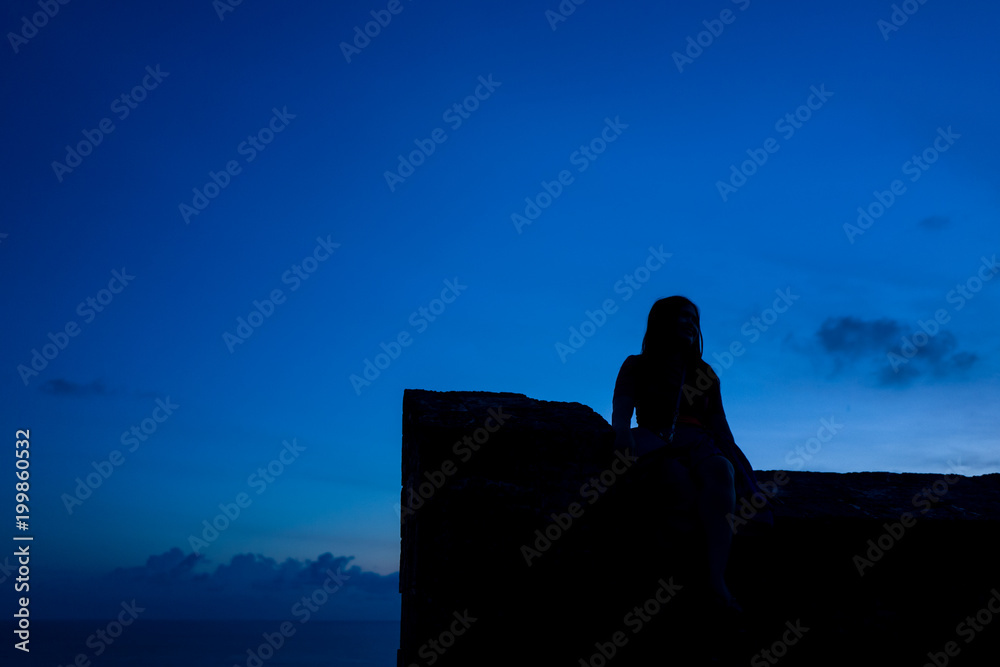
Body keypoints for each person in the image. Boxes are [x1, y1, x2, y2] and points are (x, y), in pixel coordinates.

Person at [612, 296, 773, 612]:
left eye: (694, 318)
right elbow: (622, 411)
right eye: (683, 316)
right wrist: (621, 436)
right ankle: (677, 584)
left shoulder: (705, 373)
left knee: (720, 473)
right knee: (679, 489)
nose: (690, 323)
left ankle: (716, 580)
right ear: (663, 321)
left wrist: (747, 475)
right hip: (657, 439)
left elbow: (721, 427)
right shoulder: (638, 364)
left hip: (700, 441)